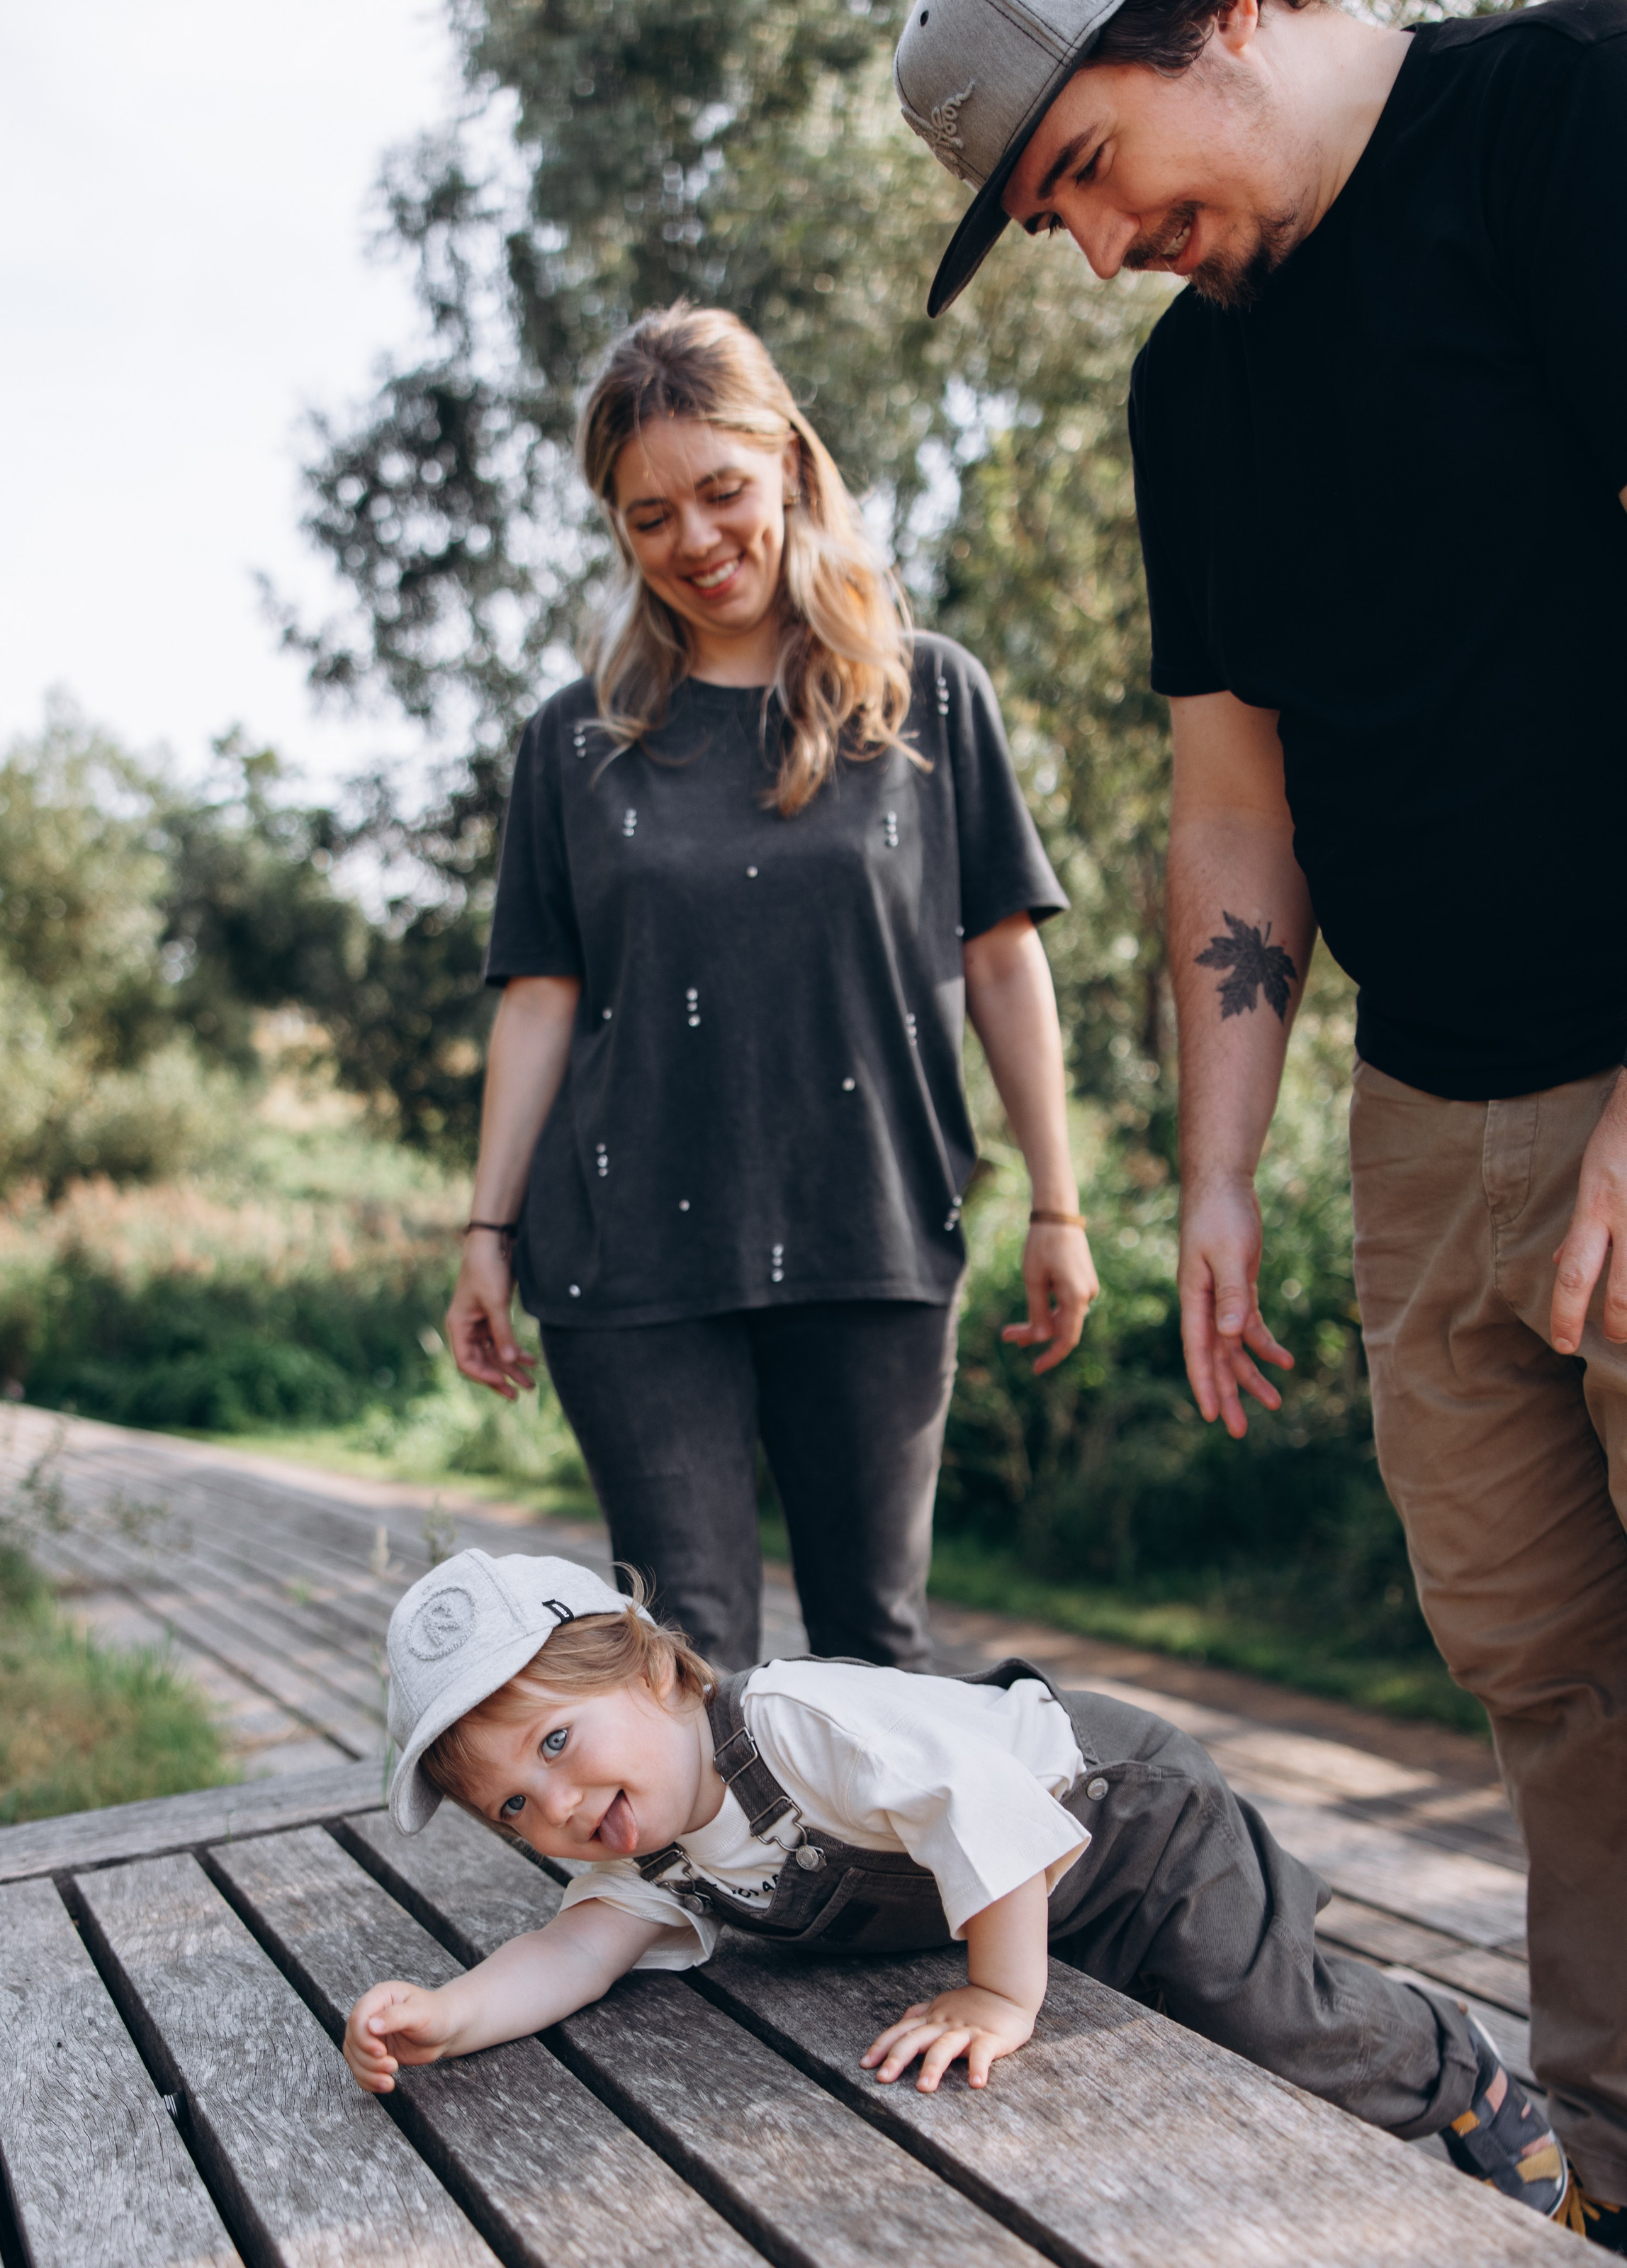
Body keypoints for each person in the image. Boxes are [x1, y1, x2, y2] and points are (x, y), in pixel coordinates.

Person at [890, 0, 1627, 2241]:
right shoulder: (1190, 396)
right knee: (1548, 1681)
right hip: (1426, 1111)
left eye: (1090, 171)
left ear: (1209, 18)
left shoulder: (1562, 118)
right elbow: (1233, 800)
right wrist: (1218, 1168)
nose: (1104, 248)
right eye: (1054, 221)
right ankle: (1612, 2169)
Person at [446, 304, 1098, 1674]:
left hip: (872, 1223)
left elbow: (1002, 957)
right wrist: (486, 1232)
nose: (695, 538)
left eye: (722, 491)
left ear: (790, 466)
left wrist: (1059, 1202)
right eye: (649, 516)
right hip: (630, 1253)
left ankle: (880, 1840)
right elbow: (541, 998)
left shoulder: (927, 699)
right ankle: (715, 1839)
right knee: (685, 1661)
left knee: (879, 1654)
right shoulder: (573, 742)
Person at [342, 1549, 1565, 2217]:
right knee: (1155, 2051)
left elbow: (981, 1801)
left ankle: (1458, 2070)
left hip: (1122, 1818)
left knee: (1267, 2021)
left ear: (658, 1672)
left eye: (558, 1743)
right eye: (513, 1807)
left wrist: (1001, 1997)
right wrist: (450, 2015)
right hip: (1030, 1897)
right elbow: (572, 1951)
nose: (556, 1806)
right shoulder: (644, 1846)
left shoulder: (796, 1724)